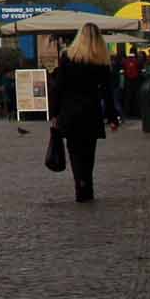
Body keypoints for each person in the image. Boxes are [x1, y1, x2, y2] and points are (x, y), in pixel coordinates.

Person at [50, 23, 121, 202]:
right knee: (89, 151)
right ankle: (87, 185)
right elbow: (107, 92)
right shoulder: (101, 61)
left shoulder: (68, 57)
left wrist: (54, 112)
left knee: (74, 151)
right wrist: (113, 117)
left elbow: (59, 87)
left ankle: (80, 184)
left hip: (70, 111)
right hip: (91, 111)